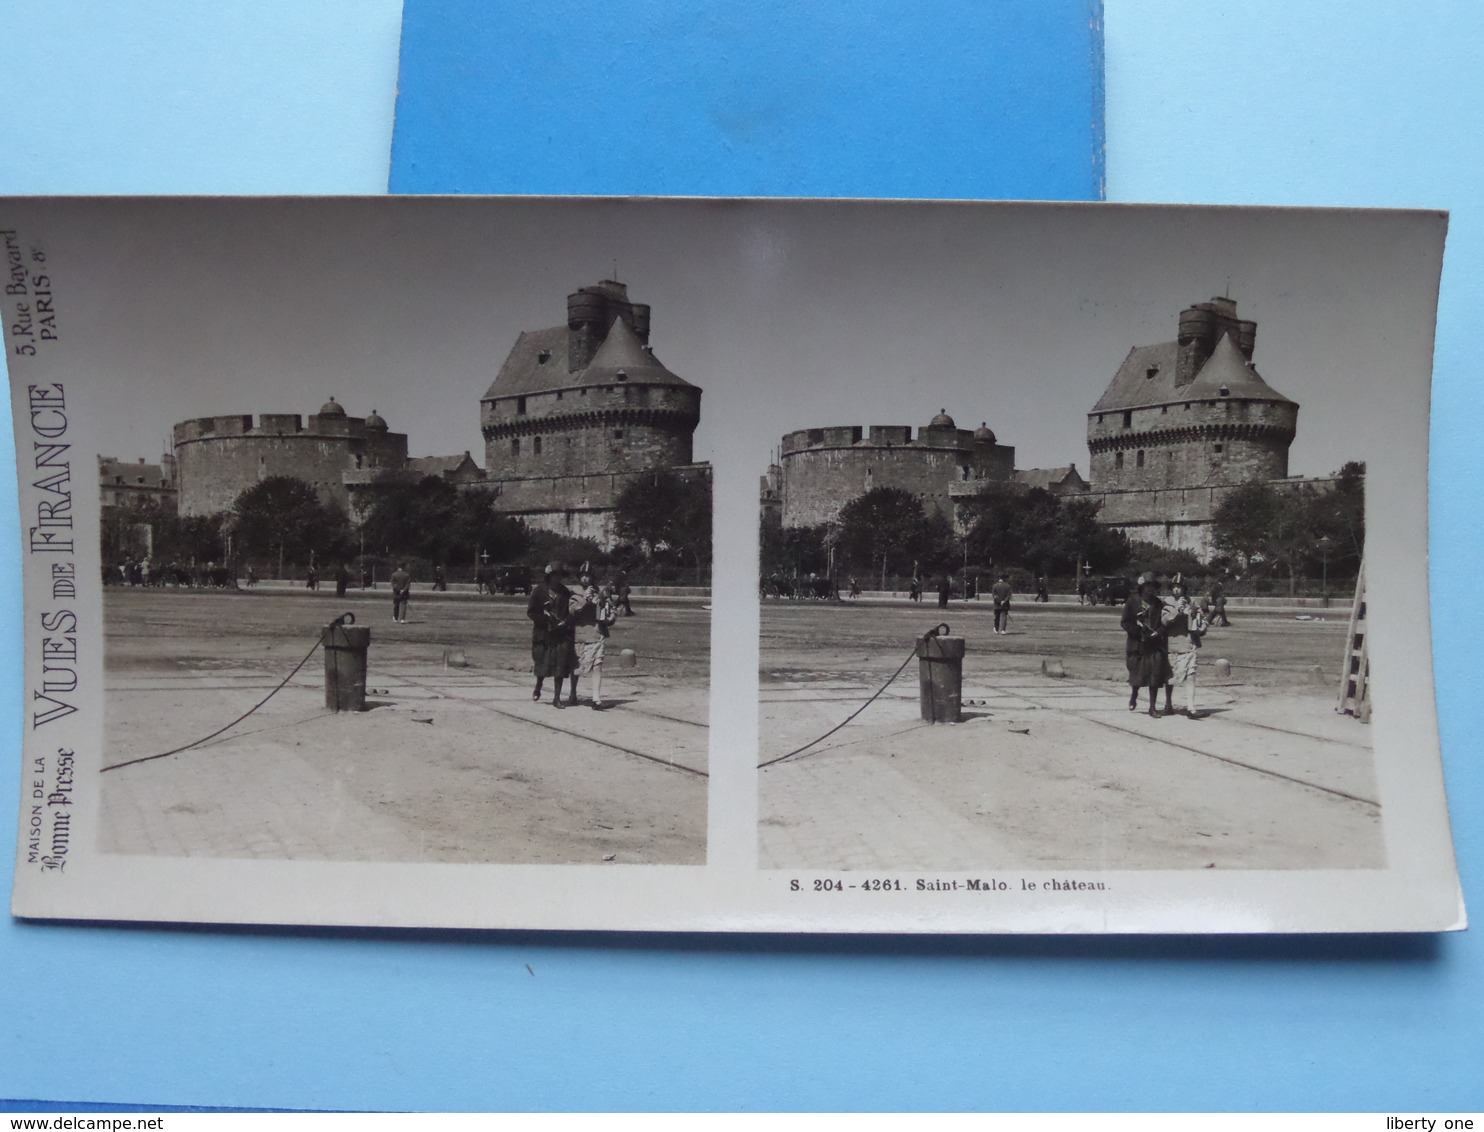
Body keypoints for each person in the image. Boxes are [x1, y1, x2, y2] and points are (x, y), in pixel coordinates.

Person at [527, 563, 577, 706]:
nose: (557, 578)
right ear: (549, 576)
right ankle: (538, 686)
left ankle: (557, 698)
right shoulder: (539, 591)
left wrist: (565, 622)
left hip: (561, 634)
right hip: (543, 635)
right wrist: (545, 621)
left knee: (560, 666)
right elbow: (531, 612)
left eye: (560, 575)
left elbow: (571, 613)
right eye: (555, 575)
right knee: (542, 663)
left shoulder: (565, 592)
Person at [1122, 577, 1172, 717]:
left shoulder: (1158, 603)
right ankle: (1134, 695)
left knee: (1154, 676)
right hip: (1137, 644)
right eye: (1147, 586)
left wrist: (1158, 633)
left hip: (1154, 644)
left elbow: (1164, 623)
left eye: (1152, 586)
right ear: (1142, 587)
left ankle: (1152, 707)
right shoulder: (1132, 601)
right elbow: (1125, 622)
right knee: (1137, 675)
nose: (1150, 589)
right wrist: (1137, 632)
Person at [1161, 574, 1210, 718]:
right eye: (1174, 587)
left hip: (1189, 644)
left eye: (1179, 587)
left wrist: (1198, 621)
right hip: (1173, 645)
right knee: (1170, 678)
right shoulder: (1166, 603)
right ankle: (1168, 704)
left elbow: (1202, 620)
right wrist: (1178, 610)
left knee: (1191, 675)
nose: (1177, 590)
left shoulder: (1192, 602)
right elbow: (1164, 622)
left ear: (1184, 589)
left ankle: (1191, 707)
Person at [570, 581, 618, 709]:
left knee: (597, 666)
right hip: (580, 636)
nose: (586, 578)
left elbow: (611, 610)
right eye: (583, 576)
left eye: (589, 576)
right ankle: (573, 693)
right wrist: (585, 599)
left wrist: (609, 617)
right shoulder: (574, 594)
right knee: (576, 668)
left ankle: (596, 698)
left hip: (597, 635)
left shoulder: (601, 593)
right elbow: (571, 612)